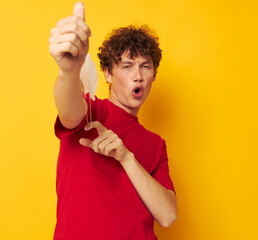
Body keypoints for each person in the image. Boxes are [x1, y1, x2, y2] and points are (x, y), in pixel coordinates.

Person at [49, 2, 177, 239]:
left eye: (145, 67)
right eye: (127, 66)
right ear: (107, 73)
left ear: (153, 76)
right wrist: (68, 72)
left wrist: (127, 158)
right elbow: (68, 109)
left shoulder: (156, 145)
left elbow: (168, 215)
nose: (138, 76)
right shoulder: (92, 112)